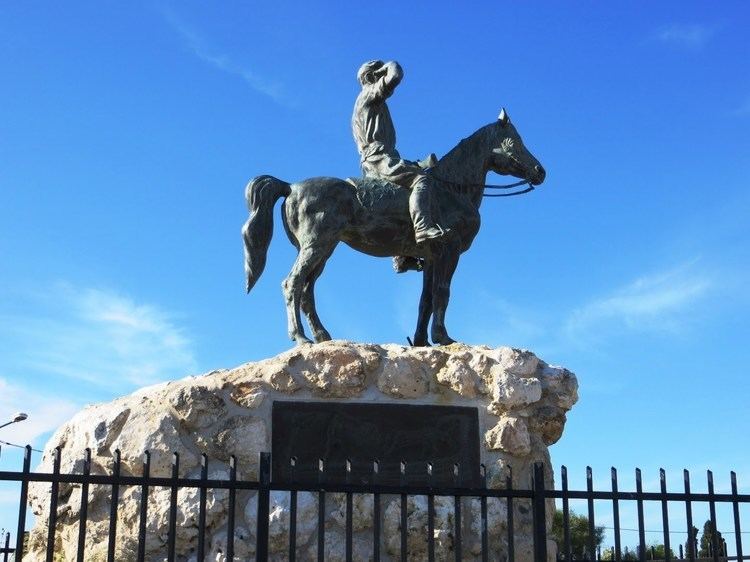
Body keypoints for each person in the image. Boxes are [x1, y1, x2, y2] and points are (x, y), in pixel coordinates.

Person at [352, 60, 448, 255]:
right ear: (372, 77)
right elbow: (395, 74)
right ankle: (422, 229)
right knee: (421, 180)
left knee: (401, 193)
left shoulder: (368, 101)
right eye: (378, 75)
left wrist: (420, 163)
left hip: (378, 158)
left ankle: (402, 256)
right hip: (379, 158)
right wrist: (387, 65)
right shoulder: (369, 94)